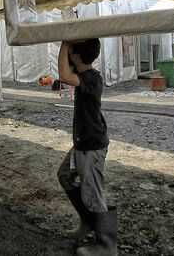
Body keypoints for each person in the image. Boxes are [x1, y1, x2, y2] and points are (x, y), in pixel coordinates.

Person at [56, 39, 117, 256]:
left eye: (72, 52)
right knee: (64, 175)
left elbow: (63, 75)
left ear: (77, 57)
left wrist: (64, 43)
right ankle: (88, 221)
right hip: (83, 143)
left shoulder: (91, 78)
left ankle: (108, 246)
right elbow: (66, 72)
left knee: (94, 194)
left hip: (91, 146)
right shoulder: (85, 76)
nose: (69, 55)